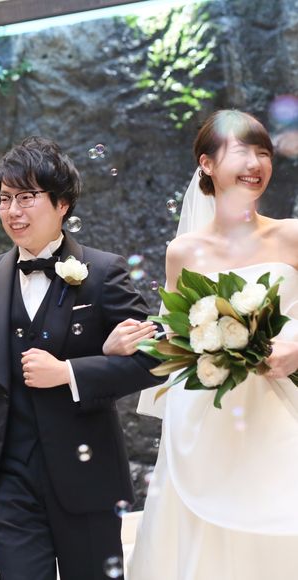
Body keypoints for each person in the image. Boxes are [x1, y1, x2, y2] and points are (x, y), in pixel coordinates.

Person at [0, 136, 162, 580]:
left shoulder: (103, 272)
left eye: (26, 197)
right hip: (9, 487)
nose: (12, 211)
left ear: (62, 203)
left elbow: (153, 359)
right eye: (4, 198)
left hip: (88, 480)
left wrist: (69, 372)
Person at [127, 110, 298, 579]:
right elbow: (178, 340)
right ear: (206, 163)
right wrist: (139, 341)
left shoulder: (291, 235)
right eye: (241, 151)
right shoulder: (182, 252)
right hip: (208, 418)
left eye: (263, 152)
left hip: (282, 411)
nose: (256, 164)